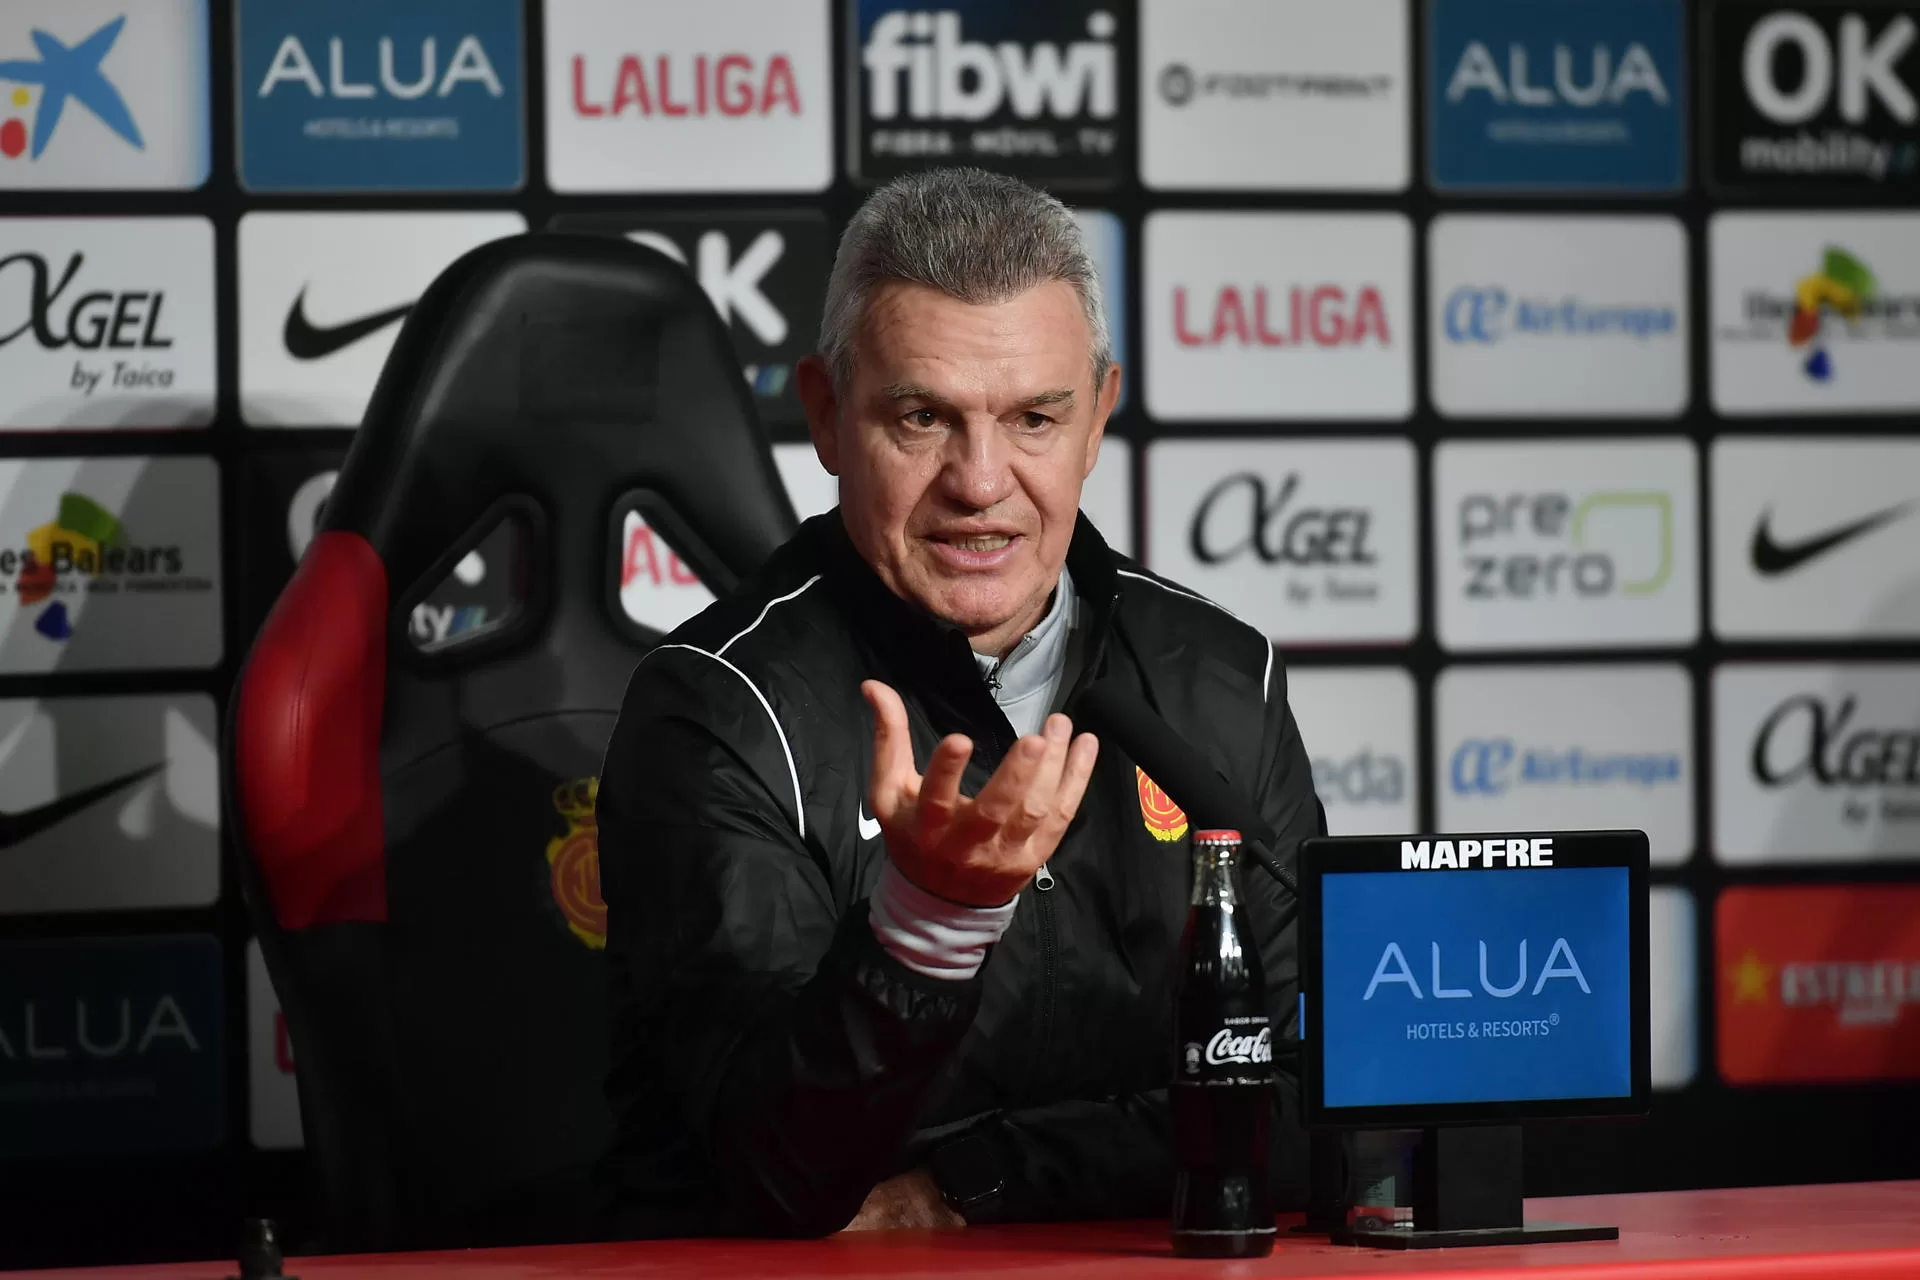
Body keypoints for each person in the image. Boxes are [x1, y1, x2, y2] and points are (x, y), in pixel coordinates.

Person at [596, 167, 1320, 1237]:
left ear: (1098, 419)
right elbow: (768, 1178)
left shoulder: (1222, 678)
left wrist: (977, 1182)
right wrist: (925, 927)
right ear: (826, 415)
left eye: (1034, 417)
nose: (980, 482)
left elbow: (1312, 1101)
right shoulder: (719, 711)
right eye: (923, 416)